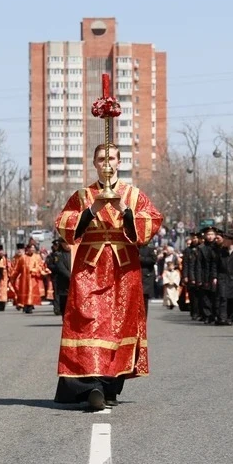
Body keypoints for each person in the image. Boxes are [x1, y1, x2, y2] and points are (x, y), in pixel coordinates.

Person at [53, 143, 163, 410]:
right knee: (87, 321)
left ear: (119, 162)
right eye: (101, 158)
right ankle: (91, 386)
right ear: (93, 163)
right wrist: (92, 210)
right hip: (89, 268)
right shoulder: (82, 195)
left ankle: (111, 386)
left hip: (123, 269)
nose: (106, 163)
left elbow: (152, 222)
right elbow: (64, 225)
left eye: (111, 158)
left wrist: (126, 210)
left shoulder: (133, 195)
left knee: (119, 326)